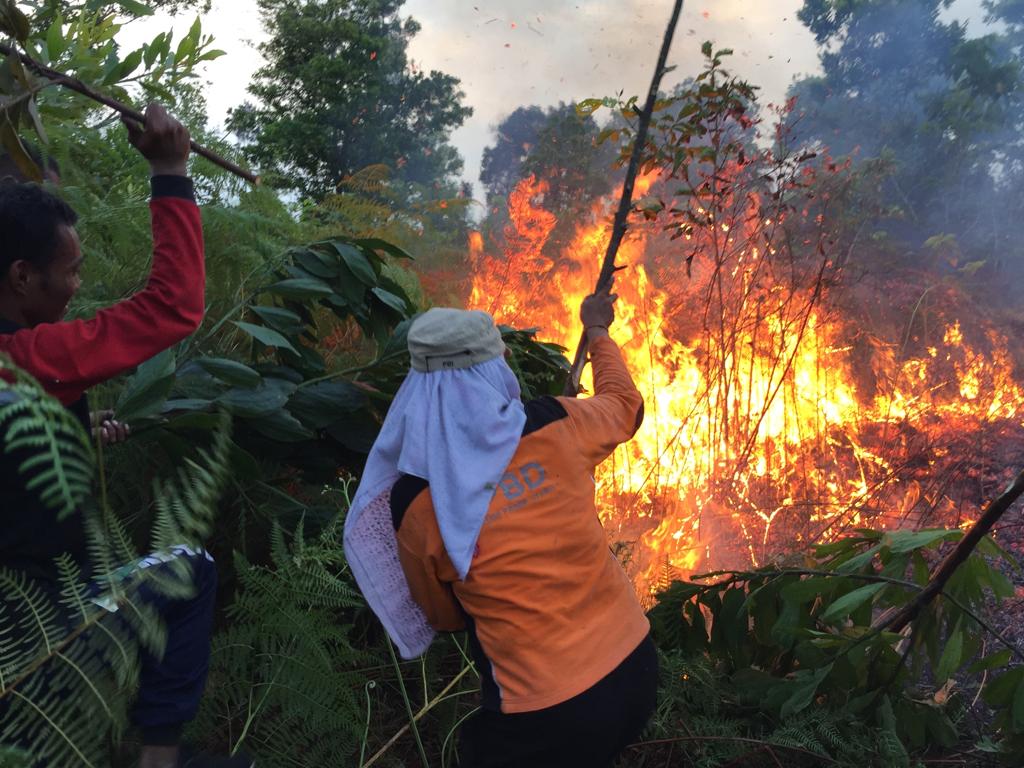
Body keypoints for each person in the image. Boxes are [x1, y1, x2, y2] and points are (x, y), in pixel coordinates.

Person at [0, 106, 251, 768]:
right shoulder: (29, 358)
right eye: (71, 271)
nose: (78, 285)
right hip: (41, 622)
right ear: (22, 276)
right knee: (191, 569)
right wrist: (170, 170)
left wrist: (74, 435)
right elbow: (172, 307)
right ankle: (155, 759)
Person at [344, 293, 658, 768]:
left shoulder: (415, 500)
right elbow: (624, 405)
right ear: (495, 367)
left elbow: (444, 618)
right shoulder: (557, 422)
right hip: (635, 670)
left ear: (418, 386)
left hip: (542, 718)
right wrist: (597, 330)